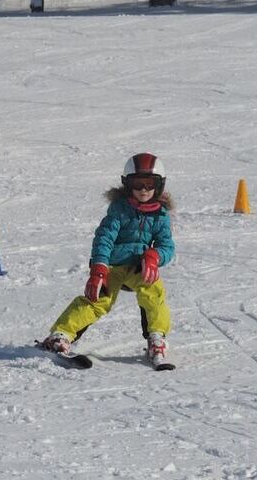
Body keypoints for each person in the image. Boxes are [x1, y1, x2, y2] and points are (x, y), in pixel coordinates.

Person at [42, 153, 176, 367]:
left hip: (139, 267)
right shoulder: (119, 210)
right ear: (127, 184)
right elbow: (104, 239)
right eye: (137, 184)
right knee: (97, 300)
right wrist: (99, 268)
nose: (143, 189)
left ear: (159, 185)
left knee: (154, 293)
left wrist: (155, 256)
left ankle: (157, 338)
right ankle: (61, 335)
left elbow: (167, 246)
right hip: (113, 265)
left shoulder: (160, 215)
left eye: (149, 184)